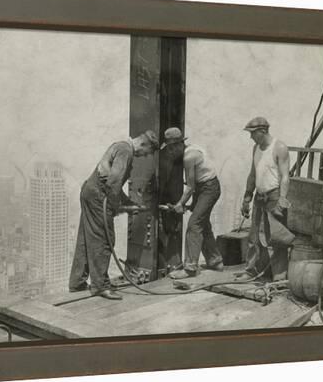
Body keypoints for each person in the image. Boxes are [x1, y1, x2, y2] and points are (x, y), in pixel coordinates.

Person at [68, 131, 160, 300]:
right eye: (146, 153)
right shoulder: (126, 151)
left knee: (85, 239)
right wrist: (119, 207)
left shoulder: (119, 145)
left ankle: (77, 282)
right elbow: (113, 182)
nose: (143, 156)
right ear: (144, 144)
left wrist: (129, 203)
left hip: (90, 191)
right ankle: (100, 286)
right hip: (98, 196)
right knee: (103, 238)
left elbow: (112, 182)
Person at [161, 127, 224, 280]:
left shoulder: (190, 156)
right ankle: (215, 261)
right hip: (204, 187)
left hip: (209, 188)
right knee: (203, 223)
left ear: (177, 145)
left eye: (170, 149)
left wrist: (180, 204)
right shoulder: (190, 150)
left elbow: (190, 187)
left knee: (193, 225)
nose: (169, 153)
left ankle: (190, 268)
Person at [237, 117, 295, 282]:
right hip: (259, 197)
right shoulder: (256, 148)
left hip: (274, 196)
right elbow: (253, 174)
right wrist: (247, 197)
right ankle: (252, 270)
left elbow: (285, 177)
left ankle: (279, 276)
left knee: (276, 238)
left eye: (253, 134)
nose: (251, 137)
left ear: (262, 131)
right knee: (253, 236)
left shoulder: (280, 147)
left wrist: (282, 200)